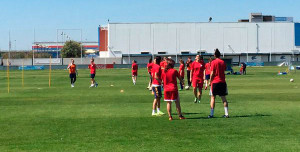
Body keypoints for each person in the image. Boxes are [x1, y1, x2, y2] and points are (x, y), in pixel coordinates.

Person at [208, 49, 229, 118]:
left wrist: (210, 81)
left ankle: (211, 114)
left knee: (213, 97)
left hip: (215, 82)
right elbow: (224, 70)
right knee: (223, 98)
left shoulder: (213, 62)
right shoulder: (223, 62)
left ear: (214, 55)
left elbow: (212, 73)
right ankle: (226, 114)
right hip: (222, 82)